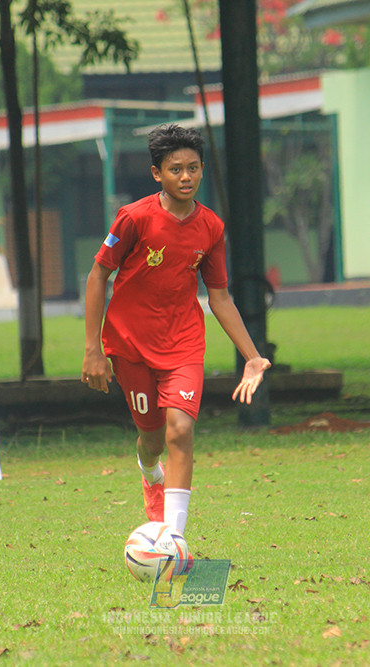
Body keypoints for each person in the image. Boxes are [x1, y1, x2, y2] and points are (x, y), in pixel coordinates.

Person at [82, 124, 271, 537]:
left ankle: (174, 538)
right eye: (175, 169)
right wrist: (92, 350)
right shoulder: (133, 218)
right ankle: (151, 472)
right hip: (130, 345)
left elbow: (219, 297)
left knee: (181, 430)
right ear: (157, 174)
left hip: (183, 343)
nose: (186, 177)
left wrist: (252, 356)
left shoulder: (211, 228)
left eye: (194, 168)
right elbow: (99, 274)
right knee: (151, 439)